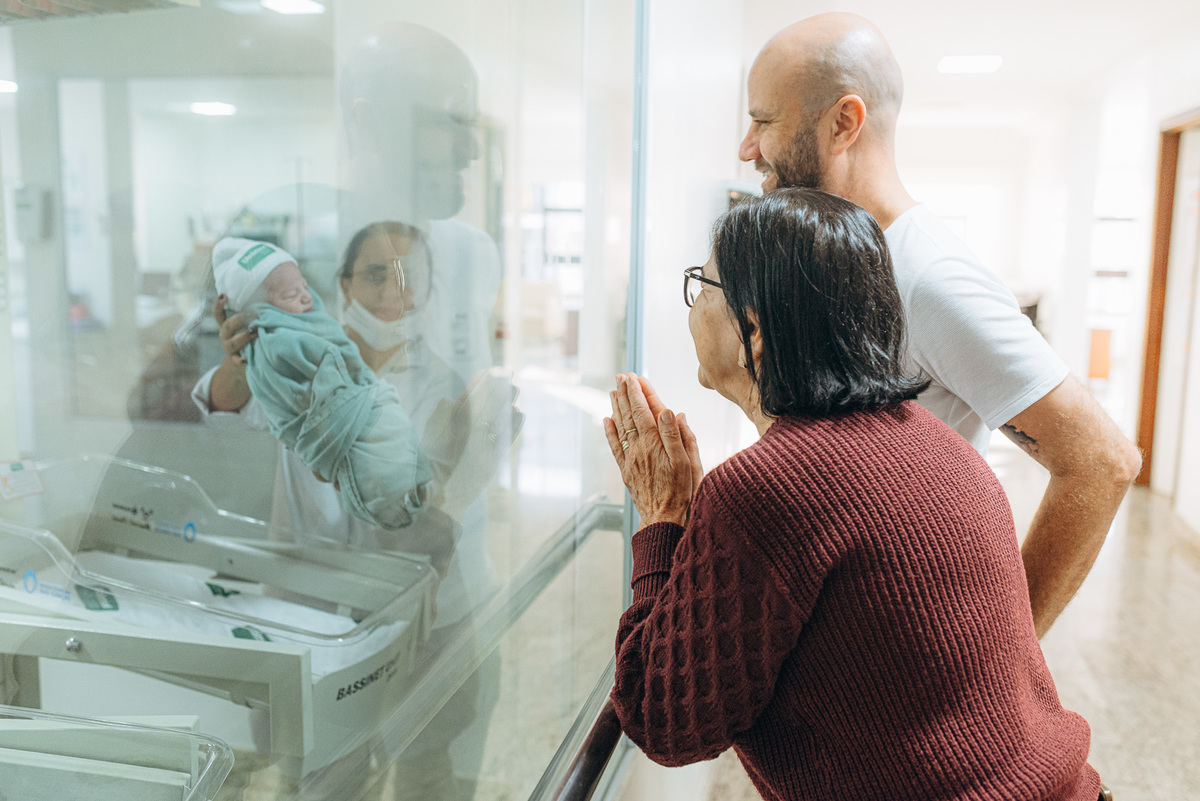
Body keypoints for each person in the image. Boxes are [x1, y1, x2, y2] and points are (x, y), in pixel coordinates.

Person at [605, 188, 1106, 801]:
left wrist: (662, 521)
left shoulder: (763, 488)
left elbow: (662, 721)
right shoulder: (940, 444)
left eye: (701, 286)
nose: (690, 307)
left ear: (753, 329)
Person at [737, 13, 1141, 637]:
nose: (747, 147)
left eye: (762, 121)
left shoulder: (931, 278)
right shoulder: (841, 260)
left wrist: (1002, 657)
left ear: (843, 123)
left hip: (905, 652)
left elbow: (1100, 460)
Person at [211, 235, 432, 532]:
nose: (393, 293)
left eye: (406, 278)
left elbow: (442, 508)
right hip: (300, 565)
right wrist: (243, 354)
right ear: (345, 284)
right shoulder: (285, 351)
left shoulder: (440, 380)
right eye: (377, 276)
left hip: (394, 566)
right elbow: (219, 407)